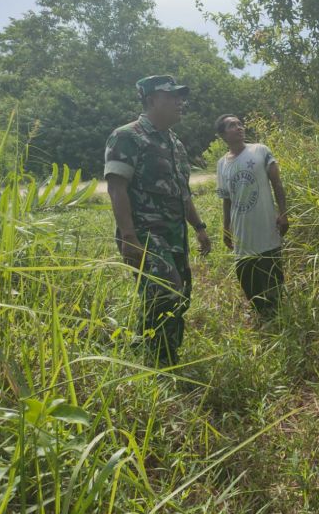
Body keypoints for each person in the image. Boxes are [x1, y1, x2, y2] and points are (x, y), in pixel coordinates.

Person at [104, 75, 211, 366]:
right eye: (172, 96)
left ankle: (163, 352)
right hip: (144, 233)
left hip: (175, 233)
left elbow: (182, 191)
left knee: (181, 294)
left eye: (180, 97)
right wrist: (128, 237)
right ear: (151, 100)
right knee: (165, 291)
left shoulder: (174, 143)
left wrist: (199, 227)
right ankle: (158, 362)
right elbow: (117, 187)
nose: (180, 102)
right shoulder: (128, 136)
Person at [215, 114, 289, 310]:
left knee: (272, 275)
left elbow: (277, 184)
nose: (239, 127)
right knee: (248, 279)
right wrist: (226, 228)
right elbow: (226, 200)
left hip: (266, 226)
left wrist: (283, 213)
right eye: (232, 125)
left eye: (240, 124)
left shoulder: (260, 150)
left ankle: (277, 314)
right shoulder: (222, 164)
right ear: (223, 134)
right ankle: (262, 315)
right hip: (241, 232)